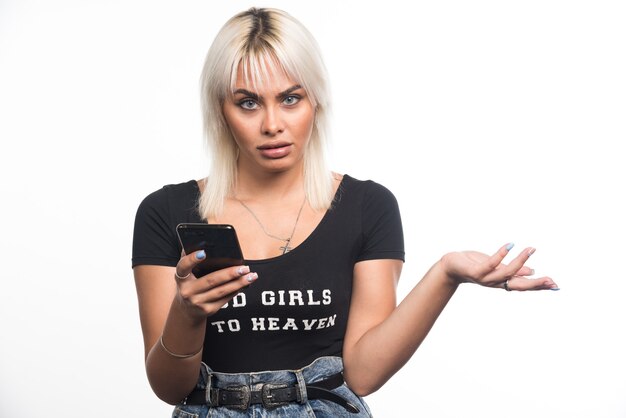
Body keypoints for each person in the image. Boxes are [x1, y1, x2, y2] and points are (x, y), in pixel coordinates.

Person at [132, 7, 559, 417]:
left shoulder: (366, 207)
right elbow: (169, 388)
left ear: (315, 101)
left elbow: (365, 373)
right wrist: (186, 314)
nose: (272, 123)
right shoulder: (165, 212)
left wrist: (446, 274)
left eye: (290, 98)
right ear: (221, 112)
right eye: (247, 102)